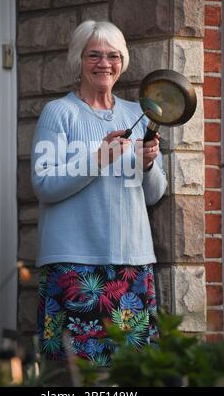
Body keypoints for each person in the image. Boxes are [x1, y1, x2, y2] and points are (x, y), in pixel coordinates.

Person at [31, 20, 167, 368]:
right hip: (75, 267)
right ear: (78, 59)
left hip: (132, 265)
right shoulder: (59, 113)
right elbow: (44, 184)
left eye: (112, 55)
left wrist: (149, 165)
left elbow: (154, 195)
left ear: (123, 61)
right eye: (94, 55)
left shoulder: (138, 113)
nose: (104, 63)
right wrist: (100, 158)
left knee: (133, 372)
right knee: (77, 374)